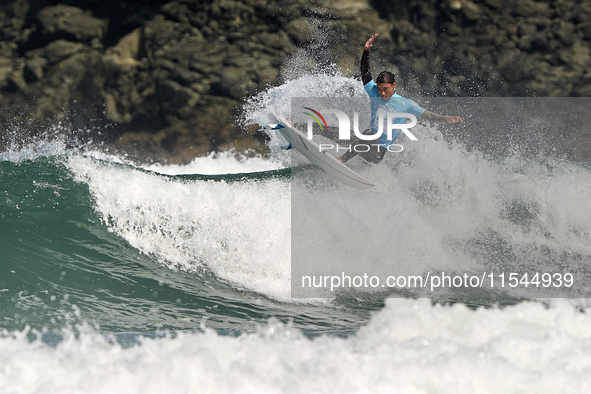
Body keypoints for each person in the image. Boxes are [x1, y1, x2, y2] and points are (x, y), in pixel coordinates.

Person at [338, 33, 462, 164]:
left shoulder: (405, 104)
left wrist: (446, 119)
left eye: (385, 89)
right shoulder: (374, 93)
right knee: (342, 133)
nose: (382, 93)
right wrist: (366, 51)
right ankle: (317, 129)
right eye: (379, 89)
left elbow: (429, 116)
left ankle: (341, 159)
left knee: (368, 134)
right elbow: (365, 73)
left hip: (377, 154)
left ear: (394, 85)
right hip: (364, 144)